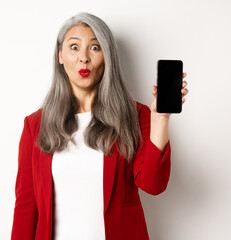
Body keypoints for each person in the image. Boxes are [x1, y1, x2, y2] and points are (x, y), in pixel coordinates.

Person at [11, 12, 189, 240]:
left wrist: (160, 119)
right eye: (74, 47)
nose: (84, 58)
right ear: (60, 55)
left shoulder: (135, 115)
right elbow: (26, 208)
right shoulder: (35, 125)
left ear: (107, 56)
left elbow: (153, 184)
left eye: (95, 48)